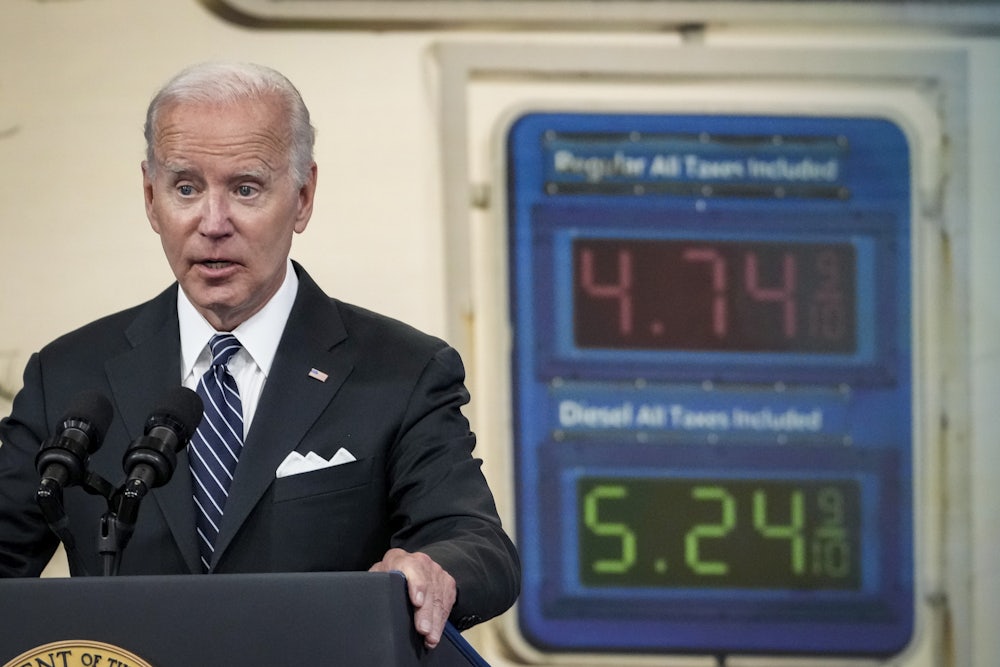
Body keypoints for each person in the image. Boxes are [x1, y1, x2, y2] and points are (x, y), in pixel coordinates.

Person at [0, 61, 519, 649]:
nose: (212, 223)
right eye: (186, 188)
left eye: (245, 188)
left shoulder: (401, 372)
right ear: (151, 197)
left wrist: (434, 570)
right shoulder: (69, 375)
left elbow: (477, 543)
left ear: (302, 198)